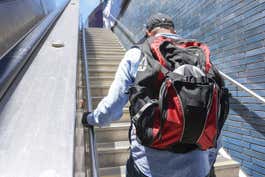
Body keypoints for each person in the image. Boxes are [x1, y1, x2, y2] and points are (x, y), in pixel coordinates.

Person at [82, 13, 220, 177]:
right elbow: (217, 114)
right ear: (173, 30)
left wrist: (90, 119)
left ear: (148, 32)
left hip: (150, 167)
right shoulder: (198, 56)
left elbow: (112, 106)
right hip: (199, 166)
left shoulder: (137, 54)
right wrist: (208, 160)